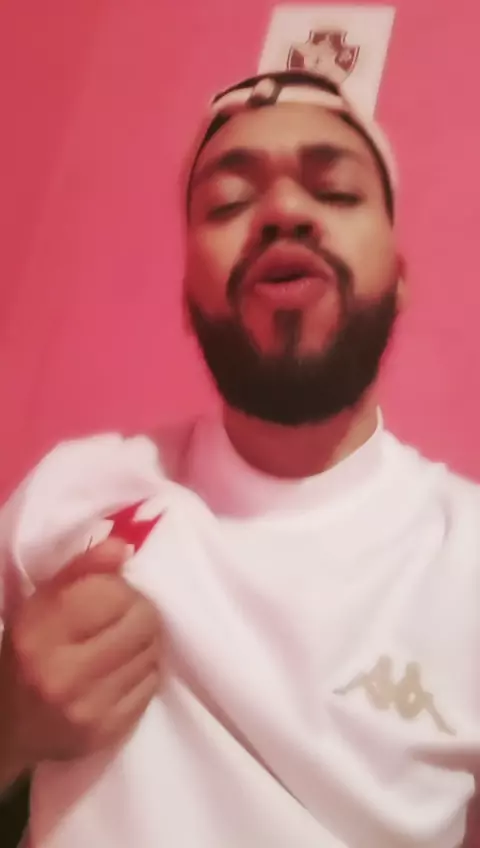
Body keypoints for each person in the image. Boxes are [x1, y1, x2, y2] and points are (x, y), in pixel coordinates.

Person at [0, 69, 479, 848]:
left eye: (335, 191)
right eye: (227, 203)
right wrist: (8, 727)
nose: (284, 211)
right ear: (189, 300)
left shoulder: (467, 556)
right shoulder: (68, 490)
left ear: (399, 281)